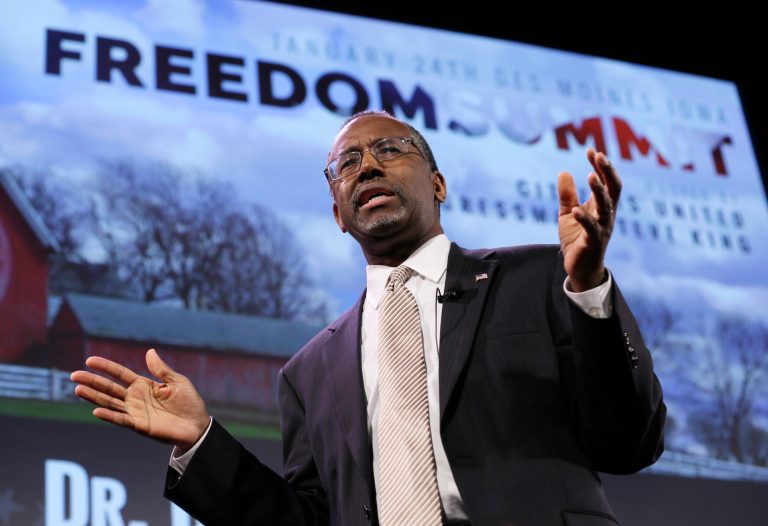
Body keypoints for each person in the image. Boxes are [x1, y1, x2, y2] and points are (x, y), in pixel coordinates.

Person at [71, 111, 665, 526]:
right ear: (337, 213)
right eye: (347, 163)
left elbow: (630, 441)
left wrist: (586, 288)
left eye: (389, 150)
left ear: (437, 183)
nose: (367, 168)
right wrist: (203, 443)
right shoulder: (309, 372)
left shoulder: (538, 277)